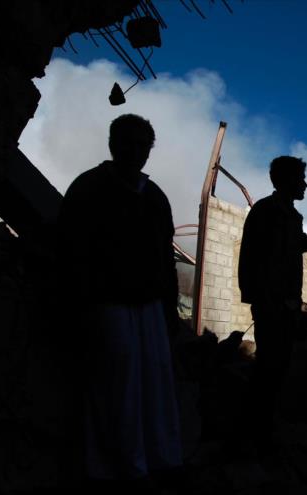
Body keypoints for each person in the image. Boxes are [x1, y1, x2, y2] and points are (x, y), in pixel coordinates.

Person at [58, 114, 182, 485]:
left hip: (150, 306)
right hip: (106, 301)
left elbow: (165, 255)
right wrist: (77, 303)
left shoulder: (155, 196)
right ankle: (115, 467)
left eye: (143, 145)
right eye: (128, 142)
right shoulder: (90, 187)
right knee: (116, 384)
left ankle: (158, 460)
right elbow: (70, 249)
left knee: (154, 384)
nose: (135, 151)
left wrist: (169, 308)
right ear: (113, 144)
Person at [238, 155, 307, 442]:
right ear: (285, 181)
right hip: (272, 305)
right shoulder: (266, 211)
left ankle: (266, 428)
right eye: (300, 178)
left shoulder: (292, 216)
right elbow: (254, 259)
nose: (305, 184)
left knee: (279, 368)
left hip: (287, 305)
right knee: (268, 368)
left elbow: (302, 244)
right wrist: (267, 300)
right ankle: (253, 433)